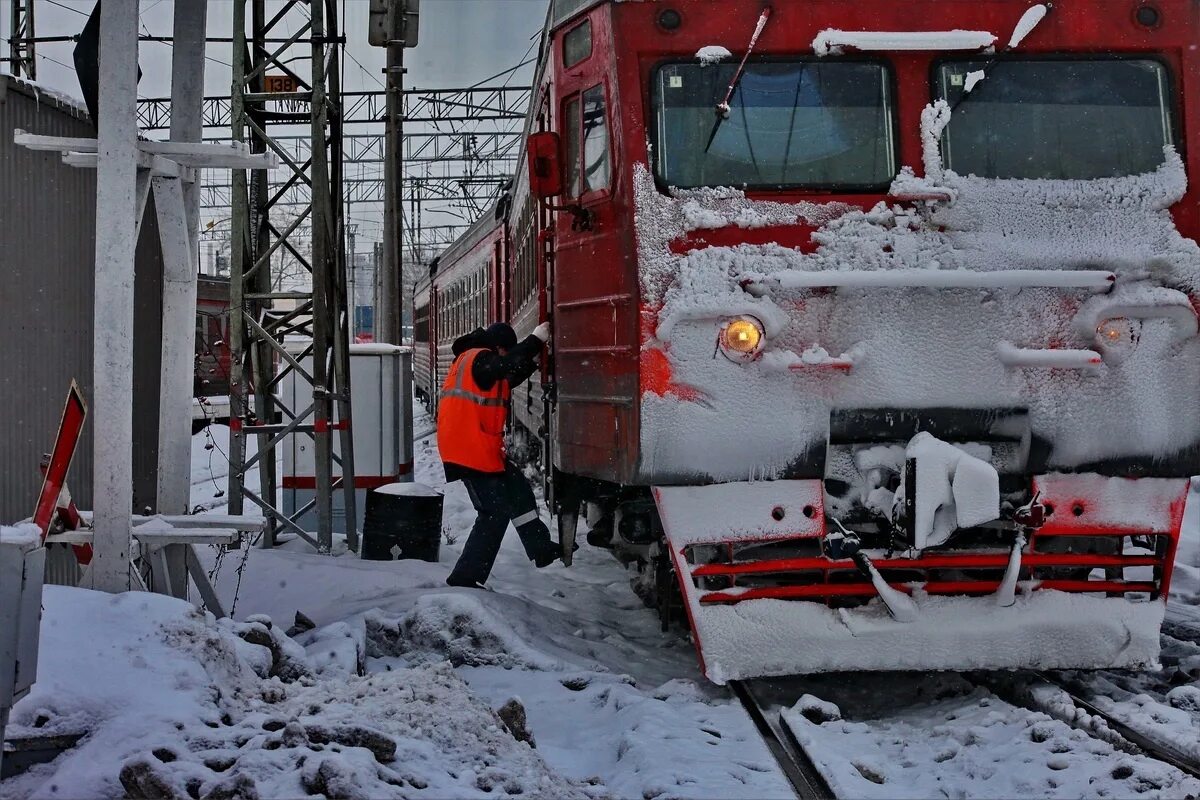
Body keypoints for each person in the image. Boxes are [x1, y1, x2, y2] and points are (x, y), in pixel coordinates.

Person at [438, 320, 560, 588]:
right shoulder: (479, 357)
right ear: (498, 348)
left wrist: (533, 363)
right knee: (492, 513)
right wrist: (536, 340)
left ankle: (540, 550)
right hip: (469, 450)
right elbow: (503, 367)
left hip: (476, 448)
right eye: (506, 352)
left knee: (518, 491)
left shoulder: (478, 364)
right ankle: (465, 578)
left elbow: (508, 376)